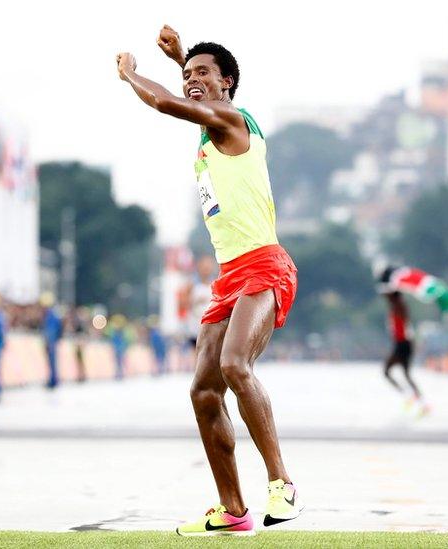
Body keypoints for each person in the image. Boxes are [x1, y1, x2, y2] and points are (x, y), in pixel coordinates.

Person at [117, 25, 301, 536]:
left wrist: (132, 73)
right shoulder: (211, 125)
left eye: (204, 74)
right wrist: (183, 59)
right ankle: (233, 510)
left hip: (265, 263)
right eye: (189, 74)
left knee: (235, 364)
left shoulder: (233, 119)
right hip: (229, 276)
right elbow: (192, 103)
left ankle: (282, 484)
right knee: (203, 391)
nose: (193, 80)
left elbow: (170, 105)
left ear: (229, 83)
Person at [383, 291, 422, 403]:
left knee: (389, 372)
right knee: (403, 374)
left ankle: (411, 396)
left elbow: (405, 319)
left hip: (403, 344)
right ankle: (413, 396)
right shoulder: (395, 307)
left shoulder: (400, 306)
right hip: (400, 343)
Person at [41, 294, 63, 389]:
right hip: (52, 342)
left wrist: (48, 342)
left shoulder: (50, 316)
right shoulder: (54, 314)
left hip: (51, 342)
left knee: (52, 362)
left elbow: (50, 331)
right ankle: (53, 379)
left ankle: (53, 380)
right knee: (52, 362)